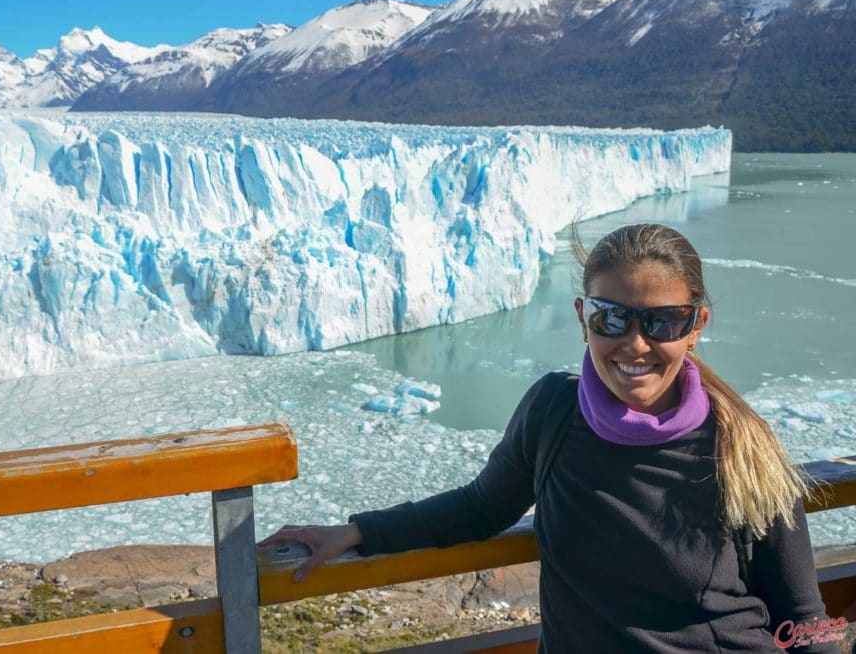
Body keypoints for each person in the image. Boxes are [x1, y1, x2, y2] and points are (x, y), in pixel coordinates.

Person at [260, 223, 833, 653]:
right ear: (584, 317)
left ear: (696, 325)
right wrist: (360, 532)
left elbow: (805, 615)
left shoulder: (742, 445)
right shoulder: (554, 413)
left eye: (662, 321)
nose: (635, 344)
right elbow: (481, 507)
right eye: (612, 318)